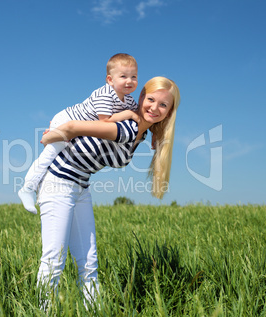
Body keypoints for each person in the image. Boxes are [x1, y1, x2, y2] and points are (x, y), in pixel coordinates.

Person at [36, 76, 181, 307]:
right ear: (141, 97)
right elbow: (74, 127)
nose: (154, 107)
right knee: (54, 260)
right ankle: (42, 311)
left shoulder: (141, 132)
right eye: (151, 99)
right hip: (58, 182)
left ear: (169, 111)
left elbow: (150, 125)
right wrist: (52, 135)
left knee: (88, 262)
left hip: (80, 186)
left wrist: (156, 132)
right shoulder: (127, 127)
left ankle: (92, 310)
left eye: (163, 105)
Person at [18, 53, 139, 214]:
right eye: (123, 76)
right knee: (51, 153)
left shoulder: (128, 100)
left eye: (134, 76)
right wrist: (129, 115)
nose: (129, 81)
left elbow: (142, 117)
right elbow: (105, 122)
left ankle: (36, 189)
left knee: (57, 154)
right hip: (66, 120)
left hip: (78, 129)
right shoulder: (105, 94)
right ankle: (27, 188)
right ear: (110, 80)